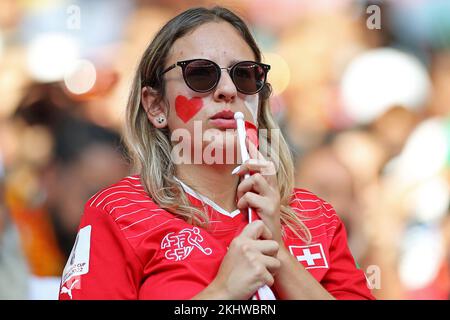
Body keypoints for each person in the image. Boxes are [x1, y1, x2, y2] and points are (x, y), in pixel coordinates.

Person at [58, 6, 374, 300]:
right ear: (156, 105)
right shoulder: (118, 213)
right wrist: (222, 294)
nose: (228, 90)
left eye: (244, 74)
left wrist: (280, 256)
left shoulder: (314, 216)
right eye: (200, 74)